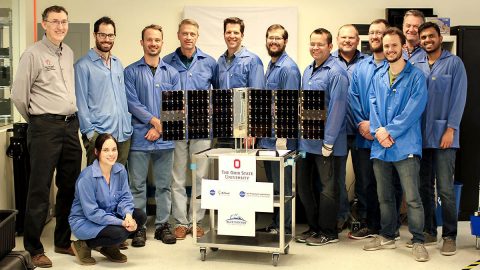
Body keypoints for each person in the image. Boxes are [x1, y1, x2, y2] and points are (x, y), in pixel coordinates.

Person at [11, 5, 81, 268]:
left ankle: (63, 241)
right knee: (39, 189)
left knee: (69, 185)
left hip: (70, 126)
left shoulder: (69, 52)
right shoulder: (32, 54)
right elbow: (19, 95)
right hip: (44, 127)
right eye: (55, 22)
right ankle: (33, 247)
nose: (60, 26)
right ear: (44, 24)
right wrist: (38, 122)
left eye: (64, 21)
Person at [363, 27, 429, 262]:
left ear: (403, 47)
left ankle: (418, 240)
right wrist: (379, 132)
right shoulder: (378, 75)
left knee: (412, 197)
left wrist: (389, 131)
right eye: (386, 45)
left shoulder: (416, 77)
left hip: (406, 145)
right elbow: (373, 105)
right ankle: (388, 235)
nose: (389, 49)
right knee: (384, 196)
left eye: (394, 45)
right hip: (381, 146)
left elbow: (414, 109)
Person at [414, 22, 467, 256]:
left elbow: (458, 98)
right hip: (420, 137)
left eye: (430, 36)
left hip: (445, 136)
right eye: (423, 37)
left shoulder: (454, 63)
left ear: (440, 37)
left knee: (445, 189)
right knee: (424, 187)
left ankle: (449, 235)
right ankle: (427, 231)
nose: (427, 40)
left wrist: (451, 129)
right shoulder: (416, 63)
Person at [125, 24, 181, 245]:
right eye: (149, 39)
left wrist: (160, 128)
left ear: (162, 43)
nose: (153, 43)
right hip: (139, 138)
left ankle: (162, 226)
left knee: (164, 185)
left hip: (165, 140)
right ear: (142, 42)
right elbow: (132, 103)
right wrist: (155, 122)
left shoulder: (173, 73)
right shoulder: (130, 72)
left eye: (157, 40)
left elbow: (176, 106)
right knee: (137, 186)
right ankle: (138, 227)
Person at [163, 19, 216, 240]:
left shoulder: (209, 63)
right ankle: (181, 223)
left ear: (197, 36)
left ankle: (196, 220)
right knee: (177, 176)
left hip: (201, 128)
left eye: (192, 34)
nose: (188, 37)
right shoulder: (166, 62)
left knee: (200, 175)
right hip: (175, 126)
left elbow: (220, 95)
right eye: (185, 33)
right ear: (178, 35)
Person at [296, 28, 349, 246]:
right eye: (312, 44)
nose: (315, 48)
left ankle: (329, 232)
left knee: (328, 189)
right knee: (303, 187)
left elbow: (337, 108)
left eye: (320, 44)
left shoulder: (336, 72)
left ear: (330, 47)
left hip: (328, 143)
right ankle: (314, 228)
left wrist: (328, 141)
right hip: (307, 141)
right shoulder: (308, 70)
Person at [69, 134, 147, 265]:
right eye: (106, 150)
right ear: (96, 152)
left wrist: (127, 215)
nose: (111, 154)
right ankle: (83, 244)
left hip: (109, 214)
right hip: (86, 221)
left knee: (139, 216)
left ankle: (108, 246)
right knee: (120, 233)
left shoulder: (120, 170)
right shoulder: (86, 178)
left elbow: (125, 197)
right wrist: (122, 223)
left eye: (114, 149)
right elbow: (92, 213)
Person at [256, 24, 301, 234]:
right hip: (267, 139)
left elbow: (289, 106)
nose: (273, 42)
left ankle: (284, 227)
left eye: (278, 38)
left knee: (283, 186)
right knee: (274, 186)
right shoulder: (271, 65)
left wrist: (281, 139)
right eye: (270, 38)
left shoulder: (288, 68)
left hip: (280, 141)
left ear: (285, 41)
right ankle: (277, 224)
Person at [348, 19, 389, 239]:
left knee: (384, 183)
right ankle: (367, 222)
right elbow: (353, 97)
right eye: (372, 33)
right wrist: (362, 124)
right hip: (363, 135)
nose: (375, 36)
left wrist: (376, 128)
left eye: (379, 33)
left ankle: (384, 225)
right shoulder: (361, 67)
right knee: (364, 183)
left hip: (384, 137)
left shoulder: (393, 66)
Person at [75, 16, 132, 166]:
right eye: (102, 35)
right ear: (95, 35)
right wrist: (90, 134)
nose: (107, 39)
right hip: (99, 135)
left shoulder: (117, 63)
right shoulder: (83, 65)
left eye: (110, 35)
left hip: (122, 135)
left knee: (118, 182)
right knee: (98, 183)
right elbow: (80, 103)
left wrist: (127, 124)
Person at [331, 24, 366, 231]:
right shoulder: (329, 61)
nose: (347, 41)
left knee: (364, 177)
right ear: (337, 39)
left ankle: (362, 216)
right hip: (337, 132)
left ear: (357, 40)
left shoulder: (367, 62)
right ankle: (342, 214)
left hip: (361, 130)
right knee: (337, 178)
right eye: (343, 37)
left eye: (351, 38)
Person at [213, 17, 265, 148]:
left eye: (236, 32)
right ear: (224, 34)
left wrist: (253, 131)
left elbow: (258, 97)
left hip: (244, 131)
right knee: (224, 168)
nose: (232, 36)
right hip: (223, 128)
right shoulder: (220, 61)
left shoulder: (253, 60)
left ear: (242, 35)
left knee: (242, 168)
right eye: (228, 32)